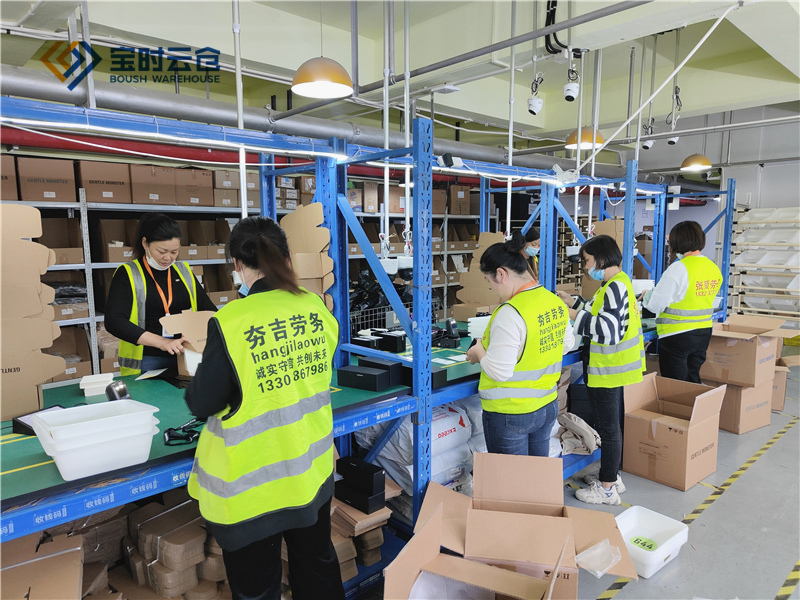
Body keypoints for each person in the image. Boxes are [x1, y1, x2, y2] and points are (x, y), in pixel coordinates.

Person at [184, 216, 344, 600]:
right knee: (317, 572)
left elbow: (202, 402)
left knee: (258, 591)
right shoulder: (316, 307)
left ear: (237, 265)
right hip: (311, 474)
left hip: (252, 494)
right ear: (287, 258)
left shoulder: (232, 321)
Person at [466, 232, 575, 457]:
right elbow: (566, 345)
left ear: (501, 274)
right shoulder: (554, 301)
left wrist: (479, 352)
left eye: (489, 282)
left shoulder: (510, 312)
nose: (491, 289)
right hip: (546, 405)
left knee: (509, 479)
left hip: (511, 413)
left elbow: (499, 371)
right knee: (535, 474)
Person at [556, 234, 645, 506]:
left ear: (602, 259)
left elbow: (608, 330)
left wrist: (573, 316)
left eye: (587, 260)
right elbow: (600, 313)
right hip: (610, 368)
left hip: (609, 368)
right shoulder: (615, 283)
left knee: (608, 429)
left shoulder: (615, 287)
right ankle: (612, 477)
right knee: (610, 426)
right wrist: (575, 303)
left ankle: (606, 489)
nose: (585, 267)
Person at [105, 213, 216, 376]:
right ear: (145, 243)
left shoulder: (183, 271)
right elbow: (114, 321)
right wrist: (162, 342)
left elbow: (208, 311)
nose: (168, 258)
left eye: (174, 252)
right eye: (162, 251)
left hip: (187, 356)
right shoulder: (128, 273)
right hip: (147, 360)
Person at [642, 221, 723, 383]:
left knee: (675, 385)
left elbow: (656, 304)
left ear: (677, 242)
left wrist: (647, 295)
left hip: (677, 336)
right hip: (703, 332)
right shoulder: (712, 267)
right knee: (692, 381)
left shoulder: (678, 268)